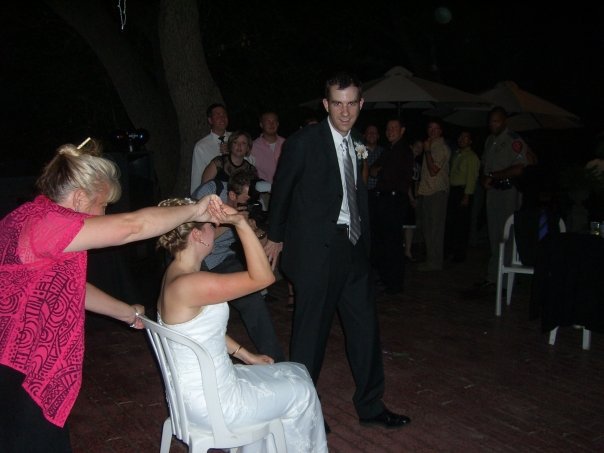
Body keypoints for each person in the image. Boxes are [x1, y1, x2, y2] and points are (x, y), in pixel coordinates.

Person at [0, 138, 224, 453]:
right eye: (103, 205)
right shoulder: (44, 225)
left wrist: (125, 312)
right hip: (21, 367)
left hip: (21, 362)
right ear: (79, 199)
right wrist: (196, 210)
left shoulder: (34, 216)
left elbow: (69, 289)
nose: (105, 213)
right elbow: (132, 227)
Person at [265, 72, 411, 430]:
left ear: (360, 104)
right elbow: (282, 190)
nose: (345, 112)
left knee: (365, 327)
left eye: (351, 104)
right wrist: (275, 237)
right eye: (337, 104)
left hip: (354, 246)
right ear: (326, 104)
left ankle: (371, 404)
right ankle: (303, 411)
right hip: (317, 250)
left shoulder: (358, 141)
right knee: (310, 333)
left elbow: (355, 192)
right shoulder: (304, 142)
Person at [156, 198, 327, 453]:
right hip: (214, 404)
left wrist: (247, 356)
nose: (216, 229)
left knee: (296, 372)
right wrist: (239, 223)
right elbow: (264, 278)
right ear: (197, 235)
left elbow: (199, 332)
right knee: (303, 390)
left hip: (194, 396)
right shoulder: (190, 284)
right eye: (211, 225)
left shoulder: (175, 275)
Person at [191, 170, 285, 362]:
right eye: (246, 199)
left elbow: (260, 246)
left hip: (221, 260)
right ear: (232, 195)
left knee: (253, 300)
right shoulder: (211, 192)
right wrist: (234, 221)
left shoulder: (253, 205)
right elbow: (193, 234)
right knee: (197, 314)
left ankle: (275, 362)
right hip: (191, 258)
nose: (249, 203)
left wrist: (255, 231)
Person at [476, 106, 527, 288]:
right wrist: (484, 178)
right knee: (494, 235)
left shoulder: (514, 140)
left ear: (504, 121)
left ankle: (507, 281)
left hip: (508, 192)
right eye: (491, 121)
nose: (493, 124)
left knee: (507, 234)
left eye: (496, 121)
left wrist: (494, 176)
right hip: (492, 192)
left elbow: (519, 167)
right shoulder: (490, 140)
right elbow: (484, 164)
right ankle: (493, 277)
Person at [369, 118, 415, 295]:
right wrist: (380, 170)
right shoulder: (388, 149)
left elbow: (388, 173)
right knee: (383, 241)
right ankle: (386, 276)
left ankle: (395, 283)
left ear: (402, 130)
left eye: (394, 128)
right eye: (388, 128)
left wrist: (380, 170)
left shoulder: (403, 150)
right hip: (384, 199)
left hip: (394, 201)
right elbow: (373, 170)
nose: (390, 131)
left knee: (393, 243)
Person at [417, 119, 450, 271]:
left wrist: (427, 151)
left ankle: (435, 262)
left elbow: (433, 170)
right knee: (427, 228)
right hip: (427, 190)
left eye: (436, 129)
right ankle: (431, 260)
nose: (432, 131)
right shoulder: (430, 144)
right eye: (430, 128)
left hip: (437, 192)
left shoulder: (442, 147)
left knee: (436, 229)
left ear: (441, 131)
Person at [444, 131, 480, 263]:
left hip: (463, 192)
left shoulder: (472, 157)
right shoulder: (457, 154)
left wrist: (466, 196)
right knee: (451, 223)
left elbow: (471, 179)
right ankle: (448, 251)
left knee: (462, 225)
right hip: (453, 191)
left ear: (470, 141)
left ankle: (460, 254)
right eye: (460, 137)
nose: (462, 139)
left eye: (466, 137)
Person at [191, 103, 231, 193]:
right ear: (210, 120)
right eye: (217, 115)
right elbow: (196, 177)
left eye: (224, 114)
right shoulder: (202, 146)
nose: (222, 118)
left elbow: (250, 161)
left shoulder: (236, 139)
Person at [362, 125, 384, 268]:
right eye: (369, 132)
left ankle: (377, 258)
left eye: (374, 133)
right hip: (364, 194)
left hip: (379, 194)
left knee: (378, 228)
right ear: (364, 135)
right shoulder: (359, 150)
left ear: (378, 136)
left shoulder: (383, 152)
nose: (372, 135)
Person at [404, 139, 424, 262]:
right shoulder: (406, 160)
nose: (418, 149)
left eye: (421, 147)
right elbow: (405, 182)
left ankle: (408, 252)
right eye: (417, 146)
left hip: (411, 197)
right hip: (404, 196)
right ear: (411, 146)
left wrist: (416, 197)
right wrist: (411, 197)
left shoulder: (417, 164)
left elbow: (416, 182)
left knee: (410, 225)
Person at [251, 112, 286, 184]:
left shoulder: (286, 144)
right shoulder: (253, 147)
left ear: (278, 124)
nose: (271, 124)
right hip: (263, 189)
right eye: (268, 121)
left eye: (274, 121)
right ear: (261, 125)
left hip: (285, 188)